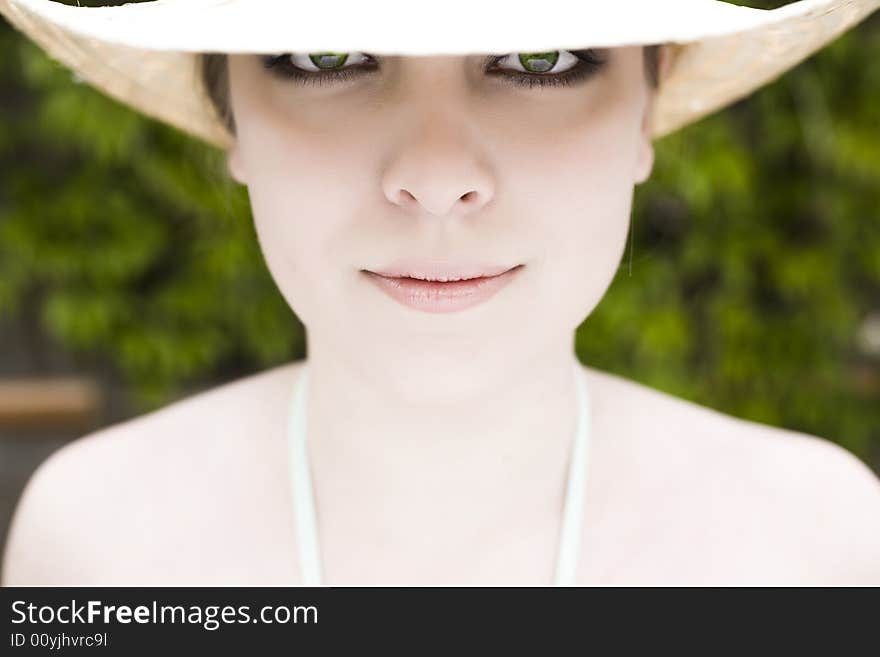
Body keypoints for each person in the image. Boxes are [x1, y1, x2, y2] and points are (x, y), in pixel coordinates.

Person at [1, 0, 879, 586]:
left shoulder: (816, 545)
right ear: (228, 111)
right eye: (327, 54)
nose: (436, 174)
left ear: (645, 114)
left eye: (542, 56)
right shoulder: (95, 547)